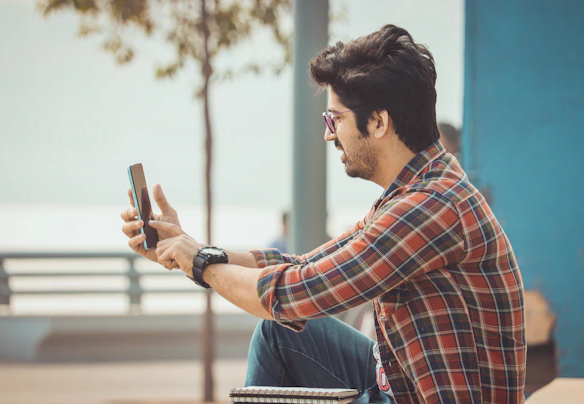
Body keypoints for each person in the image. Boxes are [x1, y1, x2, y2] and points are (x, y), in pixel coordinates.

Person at [120, 25, 526, 404]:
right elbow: (302, 266)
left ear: (379, 122)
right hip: (401, 385)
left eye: (335, 119)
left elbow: (295, 294)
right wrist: (193, 249)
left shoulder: (429, 208)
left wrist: (201, 265)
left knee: (282, 316)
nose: (328, 133)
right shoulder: (416, 190)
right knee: (280, 335)